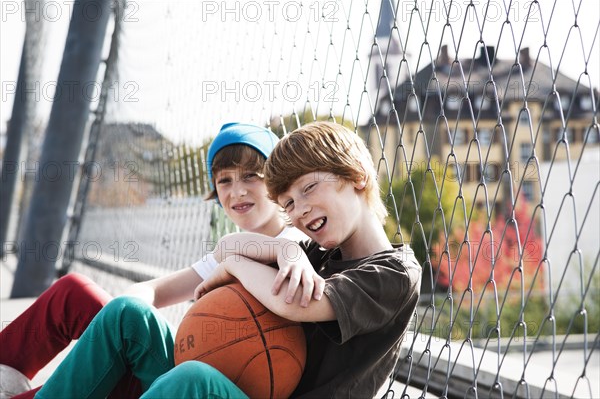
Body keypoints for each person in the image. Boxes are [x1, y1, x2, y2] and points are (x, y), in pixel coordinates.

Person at [1, 122, 321, 399]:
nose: (236, 191)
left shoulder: (292, 244)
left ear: (275, 184)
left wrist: (286, 250)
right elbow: (151, 291)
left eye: (251, 176)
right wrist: (108, 334)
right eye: (225, 180)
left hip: (212, 385)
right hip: (184, 362)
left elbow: (292, 245)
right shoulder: (228, 252)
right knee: (77, 293)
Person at [136, 121, 423, 398]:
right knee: (128, 316)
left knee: (193, 380)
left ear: (357, 176)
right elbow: (226, 247)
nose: (301, 209)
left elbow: (296, 302)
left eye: (308, 188)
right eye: (288, 204)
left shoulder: (396, 273)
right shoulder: (316, 253)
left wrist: (235, 265)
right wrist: (286, 251)